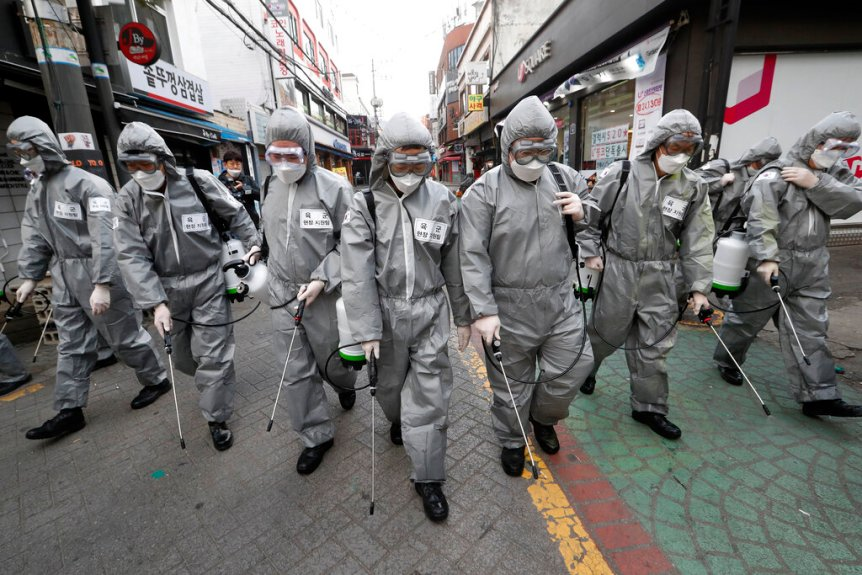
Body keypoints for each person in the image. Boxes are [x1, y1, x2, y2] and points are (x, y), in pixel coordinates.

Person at [341, 113, 472, 522]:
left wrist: (463, 315)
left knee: (431, 394)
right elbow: (356, 271)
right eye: (403, 163)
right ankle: (399, 420)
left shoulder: (443, 200)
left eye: (420, 163)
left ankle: (428, 477)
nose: (412, 172)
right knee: (390, 388)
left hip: (431, 310)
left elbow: (455, 262)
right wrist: (365, 329)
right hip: (384, 313)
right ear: (385, 159)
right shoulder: (365, 205)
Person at [6, 116, 170, 440]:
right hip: (63, 275)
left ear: (44, 146)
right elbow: (36, 235)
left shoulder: (89, 185)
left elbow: (107, 236)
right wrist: (29, 276)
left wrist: (102, 283)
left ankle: (156, 379)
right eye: (19, 154)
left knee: (124, 336)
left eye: (28, 152)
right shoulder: (38, 190)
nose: (25, 160)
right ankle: (70, 409)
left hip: (98, 270)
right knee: (71, 344)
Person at [459, 95, 595, 476]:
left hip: (560, 300)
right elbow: (471, 254)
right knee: (510, 384)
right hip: (509, 307)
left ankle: (543, 417)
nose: (535, 161)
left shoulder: (566, 179)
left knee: (574, 365)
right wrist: (483, 311)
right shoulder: (484, 192)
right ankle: (512, 438)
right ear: (508, 148)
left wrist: (584, 213)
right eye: (525, 152)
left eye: (543, 151)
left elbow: (594, 226)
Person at [113, 122, 261, 451]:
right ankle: (214, 379)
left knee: (214, 354)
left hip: (208, 279)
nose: (139, 173)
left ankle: (216, 417)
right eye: (131, 166)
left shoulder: (197, 181)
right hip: (166, 290)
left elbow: (236, 212)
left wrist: (253, 244)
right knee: (182, 358)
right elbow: (130, 254)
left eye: (145, 164)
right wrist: (155, 303)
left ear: (161, 158)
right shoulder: (127, 200)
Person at [578, 109, 714, 440]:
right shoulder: (622, 174)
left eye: (689, 149)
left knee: (655, 344)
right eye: (675, 146)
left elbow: (698, 238)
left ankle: (649, 407)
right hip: (619, 269)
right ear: (658, 143)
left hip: (663, 274)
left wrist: (698, 288)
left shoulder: (692, 186)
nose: (681, 155)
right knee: (604, 333)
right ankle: (586, 371)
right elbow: (590, 218)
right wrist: (591, 252)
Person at [716, 112, 862, 417]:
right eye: (835, 145)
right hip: (775, 261)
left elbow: (854, 201)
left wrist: (817, 184)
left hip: (814, 262)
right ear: (817, 141)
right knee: (747, 320)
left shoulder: (834, 173)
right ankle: (727, 359)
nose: (839, 153)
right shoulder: (776, 173)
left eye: (847, 147)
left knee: (811, 328)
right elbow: (761, 216)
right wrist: (767, 256)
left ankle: (819, 395)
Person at [260, 107, 357, 475]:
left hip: (324, 293)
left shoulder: (335, 189)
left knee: (334, 361)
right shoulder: (269, 186)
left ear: (307, 150)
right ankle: (315, 435)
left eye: (293, 154)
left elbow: (352, 244)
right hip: (282, 293)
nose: (284, 164)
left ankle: (344, 385)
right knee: (296, 369)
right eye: (276, 155)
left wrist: (323, 277)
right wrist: (257, 247)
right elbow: (270, 231)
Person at [696, 137, 782, 236]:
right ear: (752, 158)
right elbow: (691, 183)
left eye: (766, 166)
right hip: (701, 229)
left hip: (728, 235)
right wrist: (719, 182)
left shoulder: (761, 181)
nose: (761, 169)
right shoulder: (724, 167)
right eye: (760, 164)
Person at [218, 149, 261, 228]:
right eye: (232, 164)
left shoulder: (248, 179)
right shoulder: (219, 182)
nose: (235, 167)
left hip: (251, 223)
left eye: (238, 164)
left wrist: (245, 188)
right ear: (225, 164)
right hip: (230, 226)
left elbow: (260, 196)